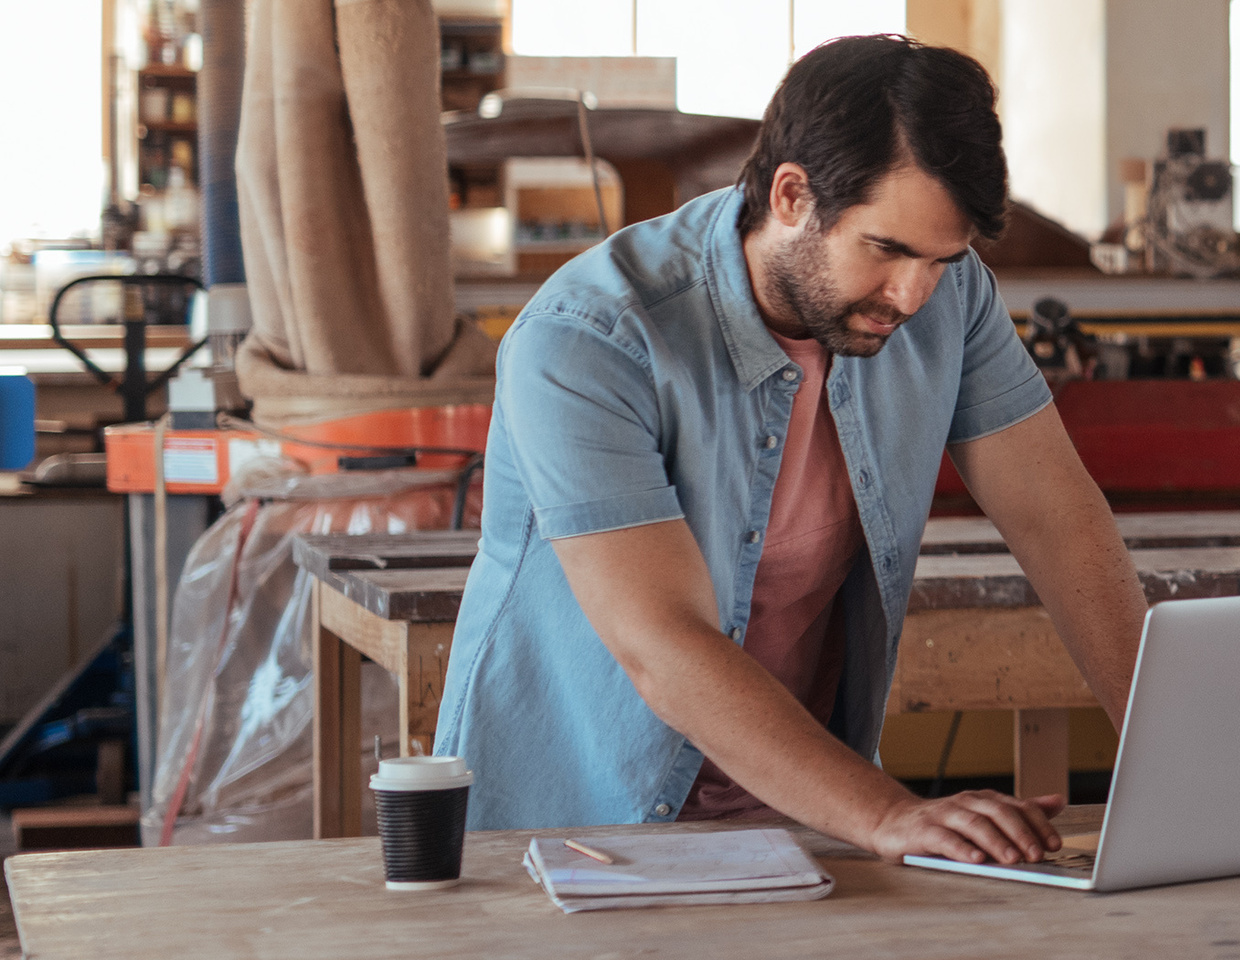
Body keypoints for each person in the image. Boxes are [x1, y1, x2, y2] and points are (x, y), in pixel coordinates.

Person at [434, 35, 1145, 868]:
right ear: (792, 195)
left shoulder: (952, 299)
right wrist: (886, 815)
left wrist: (1182, 770)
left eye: (942, 260)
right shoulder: (589, 339)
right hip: (579, 835)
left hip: (805, 827)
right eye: (886, 250)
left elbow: (1061, 523)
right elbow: (661, 641)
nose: (913, 295)